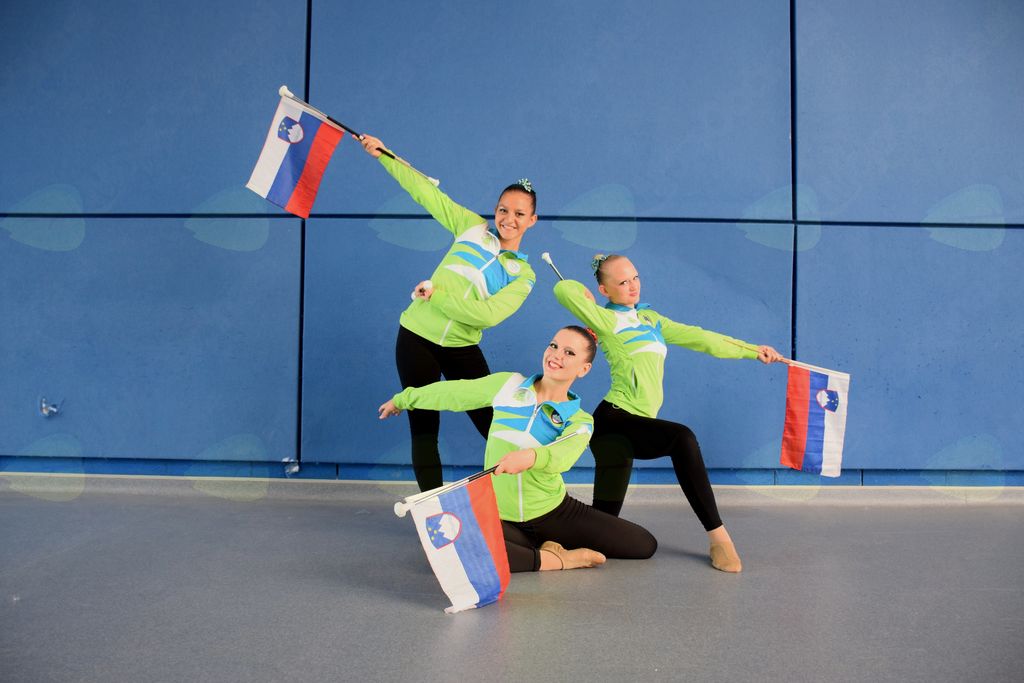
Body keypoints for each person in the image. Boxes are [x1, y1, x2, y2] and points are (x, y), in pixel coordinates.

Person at [554, 254, 784, 573]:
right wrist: (584, 296)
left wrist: (752, 351)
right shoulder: (606, 320)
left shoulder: (651, 320)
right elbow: (562, 291)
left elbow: (702, 338)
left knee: (603, 526)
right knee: (681, 438)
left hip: (633, 425)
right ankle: (719, 539)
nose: (633, 286)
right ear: (605, 290)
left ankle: (556, 546)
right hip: (615, 422)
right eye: (622, 282)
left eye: (635, 277)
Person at [378, 325, 657, 572]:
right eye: (554, 345)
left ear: (584, 369)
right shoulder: (508, 385)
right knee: (444, 543)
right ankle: (556, 559)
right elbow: (454, 393)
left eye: (569, 353)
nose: (556, 355)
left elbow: (563, 456)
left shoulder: (579, 420)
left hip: (553, 513)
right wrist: (404, 399)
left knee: (644, 544)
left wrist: (531, 457)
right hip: (499, 515)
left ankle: (537, 548)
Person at [360, 134, 539, 492]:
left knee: (496, 426)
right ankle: (433, 509)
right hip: (415, 338)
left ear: (532, 220)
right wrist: (384, 154)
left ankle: (531, 502)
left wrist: (438, 297)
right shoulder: (471, 227)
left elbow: (487, 316)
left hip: (461, 347)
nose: (508, 219)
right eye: (503, 209)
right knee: (424, 428)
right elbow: (426, 192)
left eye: (519, 214)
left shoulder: (523, 274)